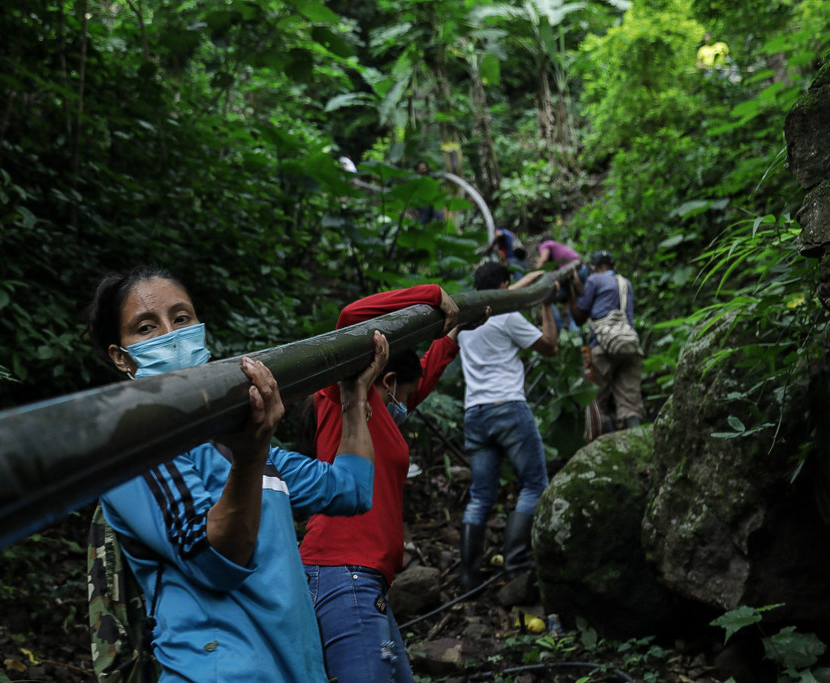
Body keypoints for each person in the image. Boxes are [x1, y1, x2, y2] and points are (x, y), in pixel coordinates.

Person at [86, 265, 389, 683]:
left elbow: (352, 490)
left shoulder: (238, 442)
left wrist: (353, 398)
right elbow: (218, 562)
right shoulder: (134, 450)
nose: (171, 335)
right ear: (121, 356)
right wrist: (249, 458)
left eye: (181, 318)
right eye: (145, 327)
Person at [299, 284, 469, 683]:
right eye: (402, 394)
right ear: (387, 381)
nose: (406, 403)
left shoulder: (381, 415)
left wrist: (454, 331)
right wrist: (432, 294)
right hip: (343, 569)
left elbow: (421, 382)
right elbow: (349, 319)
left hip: (363, 574)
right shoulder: (343, 398)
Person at [456, 263, 557, 594]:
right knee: (534, 484)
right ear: (503, 286)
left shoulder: (466, 319)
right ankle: (517, 567)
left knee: (481, 495)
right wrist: (546, 304)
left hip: (475, 413)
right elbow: (549, 347)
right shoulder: (507, 316)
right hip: (508, 408)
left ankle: (469, 577)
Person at [569, 250, 645, 431]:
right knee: (630, 404)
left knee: (598, 404)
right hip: (629, 345)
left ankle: (607, 450)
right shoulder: (625, 282)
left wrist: (572, 291)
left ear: (593, 268)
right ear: (613, 267)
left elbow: (580, 316)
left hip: (602, 347)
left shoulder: (594, 280)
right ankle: (636, 444)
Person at [534, 236, 583, 331]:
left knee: (547, 298)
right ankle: (576, 334)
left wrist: (532, 274)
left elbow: (543, 260)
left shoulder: (545, 244)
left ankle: (560, 328)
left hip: (572, 274)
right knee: (573, 302)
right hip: (580, 270)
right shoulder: (560, 247)